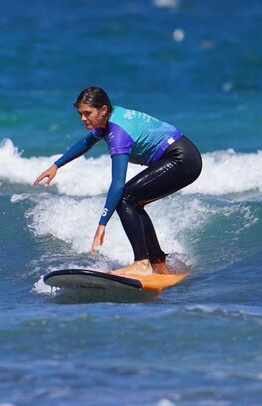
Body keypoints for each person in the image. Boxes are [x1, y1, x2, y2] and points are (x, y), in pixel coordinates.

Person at [34, 87, 202, 277]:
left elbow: (118, 183)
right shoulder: (109, 120)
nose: (82, 119)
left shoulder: (118, 134)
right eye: (81, 114)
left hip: (182, 160)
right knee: (134, 201)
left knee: (126, 198)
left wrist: (103, 222)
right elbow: (85, 143)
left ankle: (142, 263)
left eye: (87, 113)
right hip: (184, 155)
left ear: (103, 110)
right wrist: (56, 165)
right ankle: (158, 263)